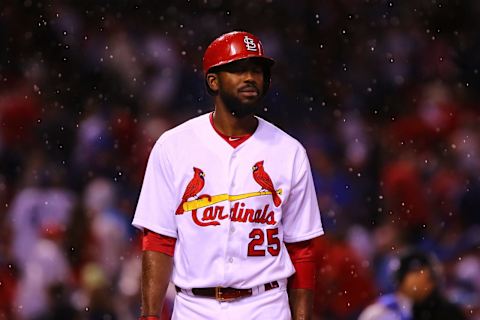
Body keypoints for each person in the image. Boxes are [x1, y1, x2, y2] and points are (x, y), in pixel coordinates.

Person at [132, 31, 324, 320]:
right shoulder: (173, 146)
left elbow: (302, 249)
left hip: (266, 305)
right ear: (213, 81)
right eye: (238, 69)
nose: (250, 78)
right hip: (195, 308)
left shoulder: (289, 151)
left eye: (257, 71)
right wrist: (150, 316)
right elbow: (158, 239)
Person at [358, 250, 466, 320]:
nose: (425, 280)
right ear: (401, 279)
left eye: (430, 277)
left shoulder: (445, 311)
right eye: (417, 273)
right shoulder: (381, 312)